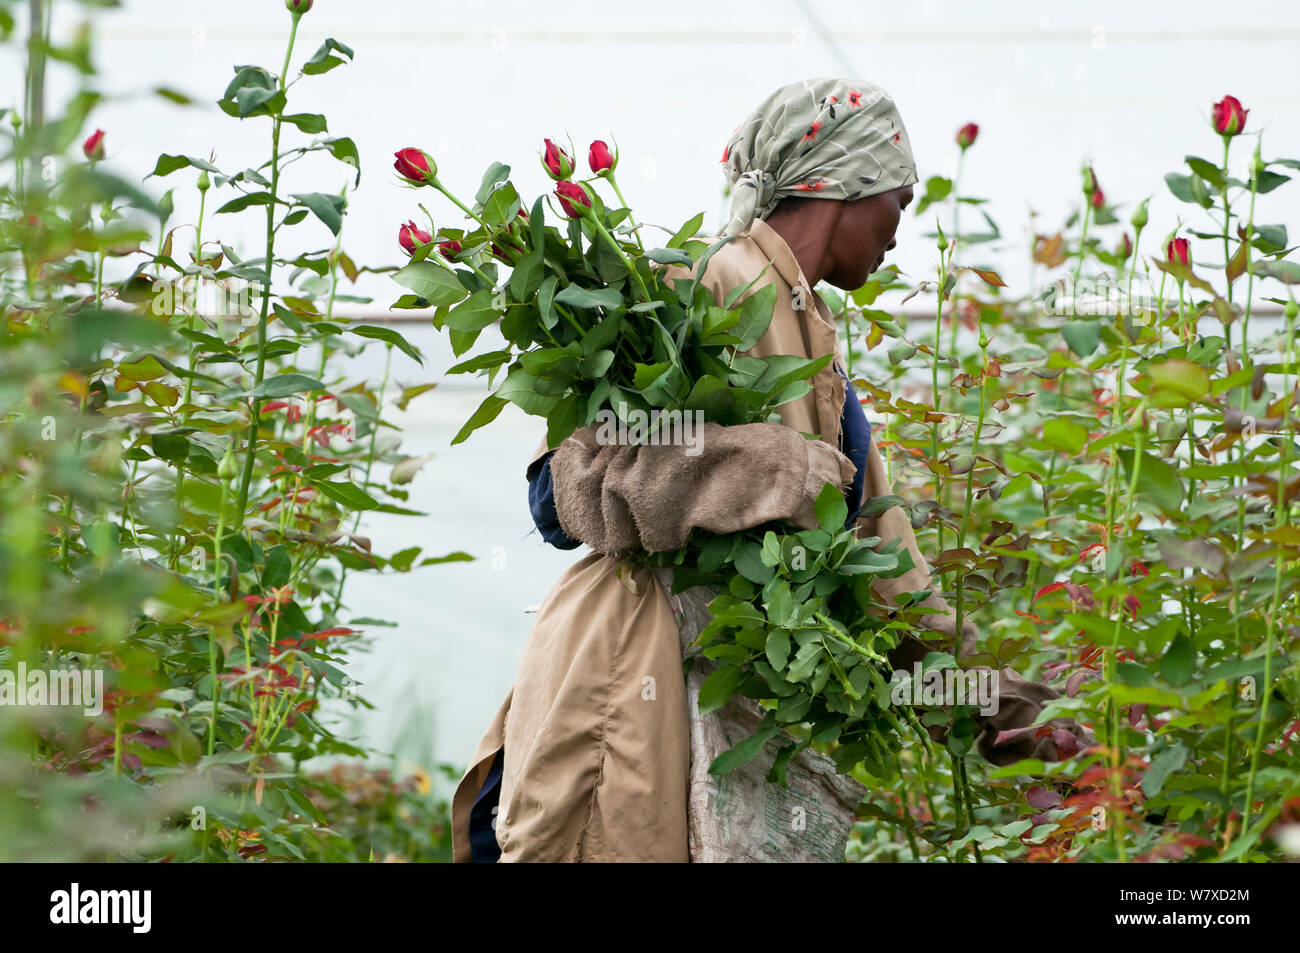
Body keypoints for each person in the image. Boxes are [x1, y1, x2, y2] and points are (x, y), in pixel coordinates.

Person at [451, 78, 1088, 863]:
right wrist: (754, 464)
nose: (902, 222)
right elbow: (562, 491)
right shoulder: (694, 286)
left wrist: (1002, 705)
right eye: (899, 195)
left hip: (729, 714)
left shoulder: (819, 353)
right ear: (840, 183)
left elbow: (889, 579)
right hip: (624, 678)